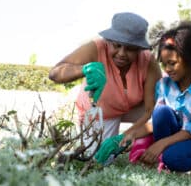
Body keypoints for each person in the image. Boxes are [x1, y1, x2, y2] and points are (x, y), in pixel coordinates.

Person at [123, 21, 191, 180]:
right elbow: (157, 123)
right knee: (161, 112)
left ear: (189, 59)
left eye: (172, 63)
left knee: (172, 158)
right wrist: (130, 135)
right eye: (164, 64)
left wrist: (160, 145)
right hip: (177, 137)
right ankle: (164, 159)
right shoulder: (163, 85)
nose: (167, 69)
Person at [49, 12, 162, 140]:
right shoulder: (95, 49)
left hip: (133, 108)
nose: (122, 54)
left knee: (161, 118)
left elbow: (150, 110)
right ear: (108, 41)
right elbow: (55, 73)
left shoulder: (148, 61)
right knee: (99, 157)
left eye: (130, 49)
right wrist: (84, 69)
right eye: (116, 45)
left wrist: (125, 137)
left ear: (139, 48)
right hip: (101, 112)